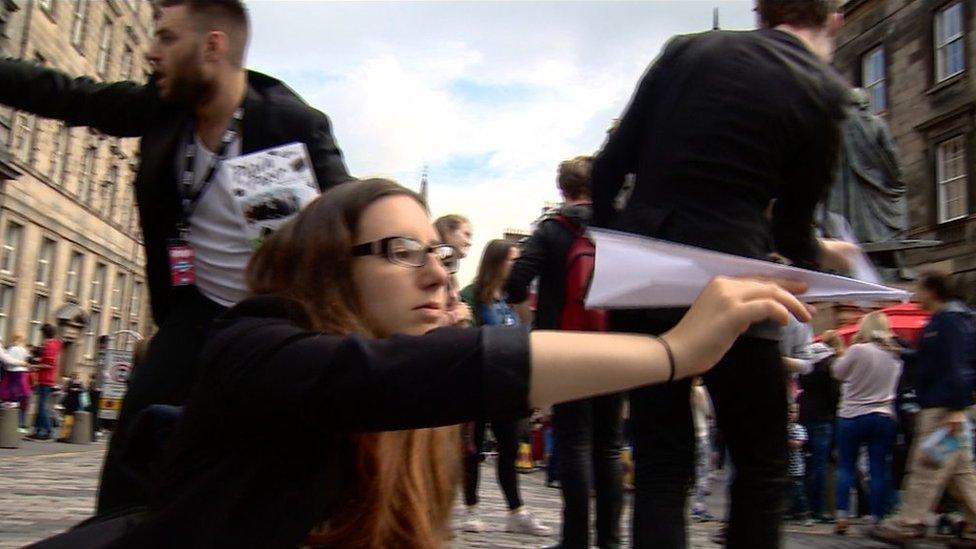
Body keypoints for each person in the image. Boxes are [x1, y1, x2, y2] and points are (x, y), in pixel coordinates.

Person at [31, 178, 812, 548]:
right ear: (332, 265)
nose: (440, 273)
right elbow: (399, 376)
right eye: (405, 253)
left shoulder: (417, 412)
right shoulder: (256, 342)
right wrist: (675, 351)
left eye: (439, 253)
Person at [0, 0, 353, 513]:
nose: (150, 52)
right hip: (195, 312)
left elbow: (357, 212)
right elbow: (70, 96)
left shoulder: (288, 122)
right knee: (135, 447)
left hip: (279, 321)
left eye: (166, 39)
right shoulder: (164, 108)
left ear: (213, 45)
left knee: (278, 471)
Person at [588, 1, 854, 546]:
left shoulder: (687, 49)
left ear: (760, 13)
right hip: (735, 276)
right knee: (761, 463)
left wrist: (626, 242)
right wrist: (827, 252)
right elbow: (792, 234)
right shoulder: (824, 91)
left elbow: (610, 167)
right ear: (835, 18)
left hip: (644, 272)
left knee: (661, 460)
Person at [504, 155, 625, 549]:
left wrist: (535, 316)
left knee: (574, 442)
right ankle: (608, 540)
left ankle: (574, 539)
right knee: (609, 446)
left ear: (563, 189)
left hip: (566, 347)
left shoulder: (552, 230)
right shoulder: (618, 226)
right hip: (616, 348)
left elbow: (516, 282)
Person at [871, 273, 976, 547]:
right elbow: (933, 360)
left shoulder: (949, 320)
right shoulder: (949, 318)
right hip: (947, 404)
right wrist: (897, 350)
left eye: (919, 288)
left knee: (927, 464)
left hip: (943, 407)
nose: (915, 294)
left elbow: (958, 365)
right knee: (961, 473)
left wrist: (956, 407)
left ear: (932, 290)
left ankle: (906, 524)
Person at [458, 239, 551, 536]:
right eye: (513, 260)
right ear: (497, 262)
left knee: (509, 449)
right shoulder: (472, 295)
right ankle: (471, 509)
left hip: (508, 384)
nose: (517, 266)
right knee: (472, 450)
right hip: (478, 382)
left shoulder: (512, 298)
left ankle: (516, 511)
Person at [830, 311, 902, 533]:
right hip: (882, 415)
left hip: (851, 414)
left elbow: (837, 372)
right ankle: (875, 517)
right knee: (878, 468)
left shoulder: (858, 350)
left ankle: (842, 514)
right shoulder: (895, 357)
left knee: (846, 467)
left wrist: (844, 350)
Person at [798, 331, 842, 523]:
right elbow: (835, 395)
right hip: (823, 417)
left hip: (805, 413)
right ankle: (820, 508)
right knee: (821, 465)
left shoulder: (807, 360)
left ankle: (802, 506)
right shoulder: (831, 364)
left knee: (803, 463)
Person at [434, 214, 474, 327]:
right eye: (466, 235)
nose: (469, 242)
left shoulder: (451, 272)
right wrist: (456, 315)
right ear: (448, 232)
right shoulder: (430, 270)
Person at [27, 324, 62, 441]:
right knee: (40, 406)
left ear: (44, 333)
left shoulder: (49, 346)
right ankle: (36, 430)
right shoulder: (54, 344)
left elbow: (49, 364)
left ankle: (48, 431)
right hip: (47, 379)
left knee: (42, 407)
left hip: (45, 379)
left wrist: (35, 366)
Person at [787, 403, 811, 526]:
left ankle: (804, 515)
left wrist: (787, 441)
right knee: (786, 493)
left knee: (798, 493)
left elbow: (798, 444)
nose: (790, 415)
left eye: (793, 412)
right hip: (785, 469)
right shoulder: (782, 428)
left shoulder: (798, 428)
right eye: (788, 412)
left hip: (796, 469)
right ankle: (788, 512)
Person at [0, 334, 30, 432]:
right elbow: (7, 359)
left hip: (11, 373)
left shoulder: (11, 349)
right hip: (21, 373)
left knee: (9, 395)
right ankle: (21, 425)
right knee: (20, 397)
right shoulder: (24, 350)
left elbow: (7, 361)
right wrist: (22, 363)